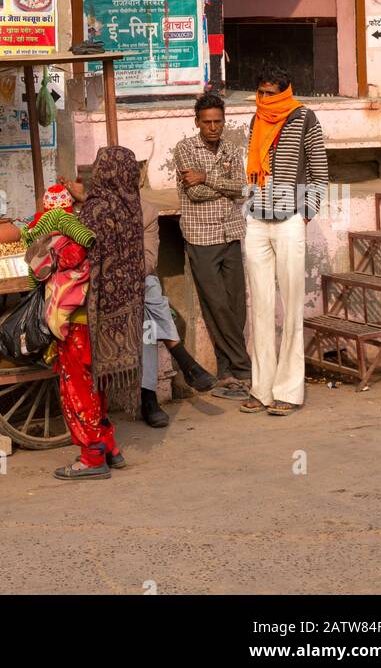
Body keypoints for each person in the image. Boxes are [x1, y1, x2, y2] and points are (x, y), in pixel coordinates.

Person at [48, 147, 145, 480]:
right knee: (98, 381)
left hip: (85, 316)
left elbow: (74, 256)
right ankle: (109, 445)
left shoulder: (96, 210)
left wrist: (56, 233)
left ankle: (91, 457)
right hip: (116, 318)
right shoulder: (130, 206)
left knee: (78, 382)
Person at [241, 63, 328, 416]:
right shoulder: (255, 120)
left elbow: (320, 172)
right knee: (259, 308)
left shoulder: (305, 119)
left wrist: (303, 214)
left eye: (271, 93)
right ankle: (261, 389)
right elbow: (252, 167)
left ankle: (289, 391)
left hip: (290, 220)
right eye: (260, 92)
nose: (265, 99)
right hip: (257, 222)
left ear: (286, 92)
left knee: (291, 307)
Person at [173, 92, 252, 402]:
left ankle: (227, 372)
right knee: (215, 304)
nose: (213, 127)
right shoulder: (184, 149)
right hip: (201, 236)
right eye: (207, 122)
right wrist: (223, 186)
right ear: (197, 122)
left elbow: (243, 188)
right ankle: (242, 368)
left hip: (231, 232)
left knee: (235, 305)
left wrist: (207, 178)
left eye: (218, 121)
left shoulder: (232, 149)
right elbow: (194, 195)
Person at [139, 186, 215, 428]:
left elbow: (149, 260)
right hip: (105, 286)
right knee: (150, 294)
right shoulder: (96, 210)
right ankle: (183, 357)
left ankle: (148, 396)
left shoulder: (145, 211)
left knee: (148, 321)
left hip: (136, 283)